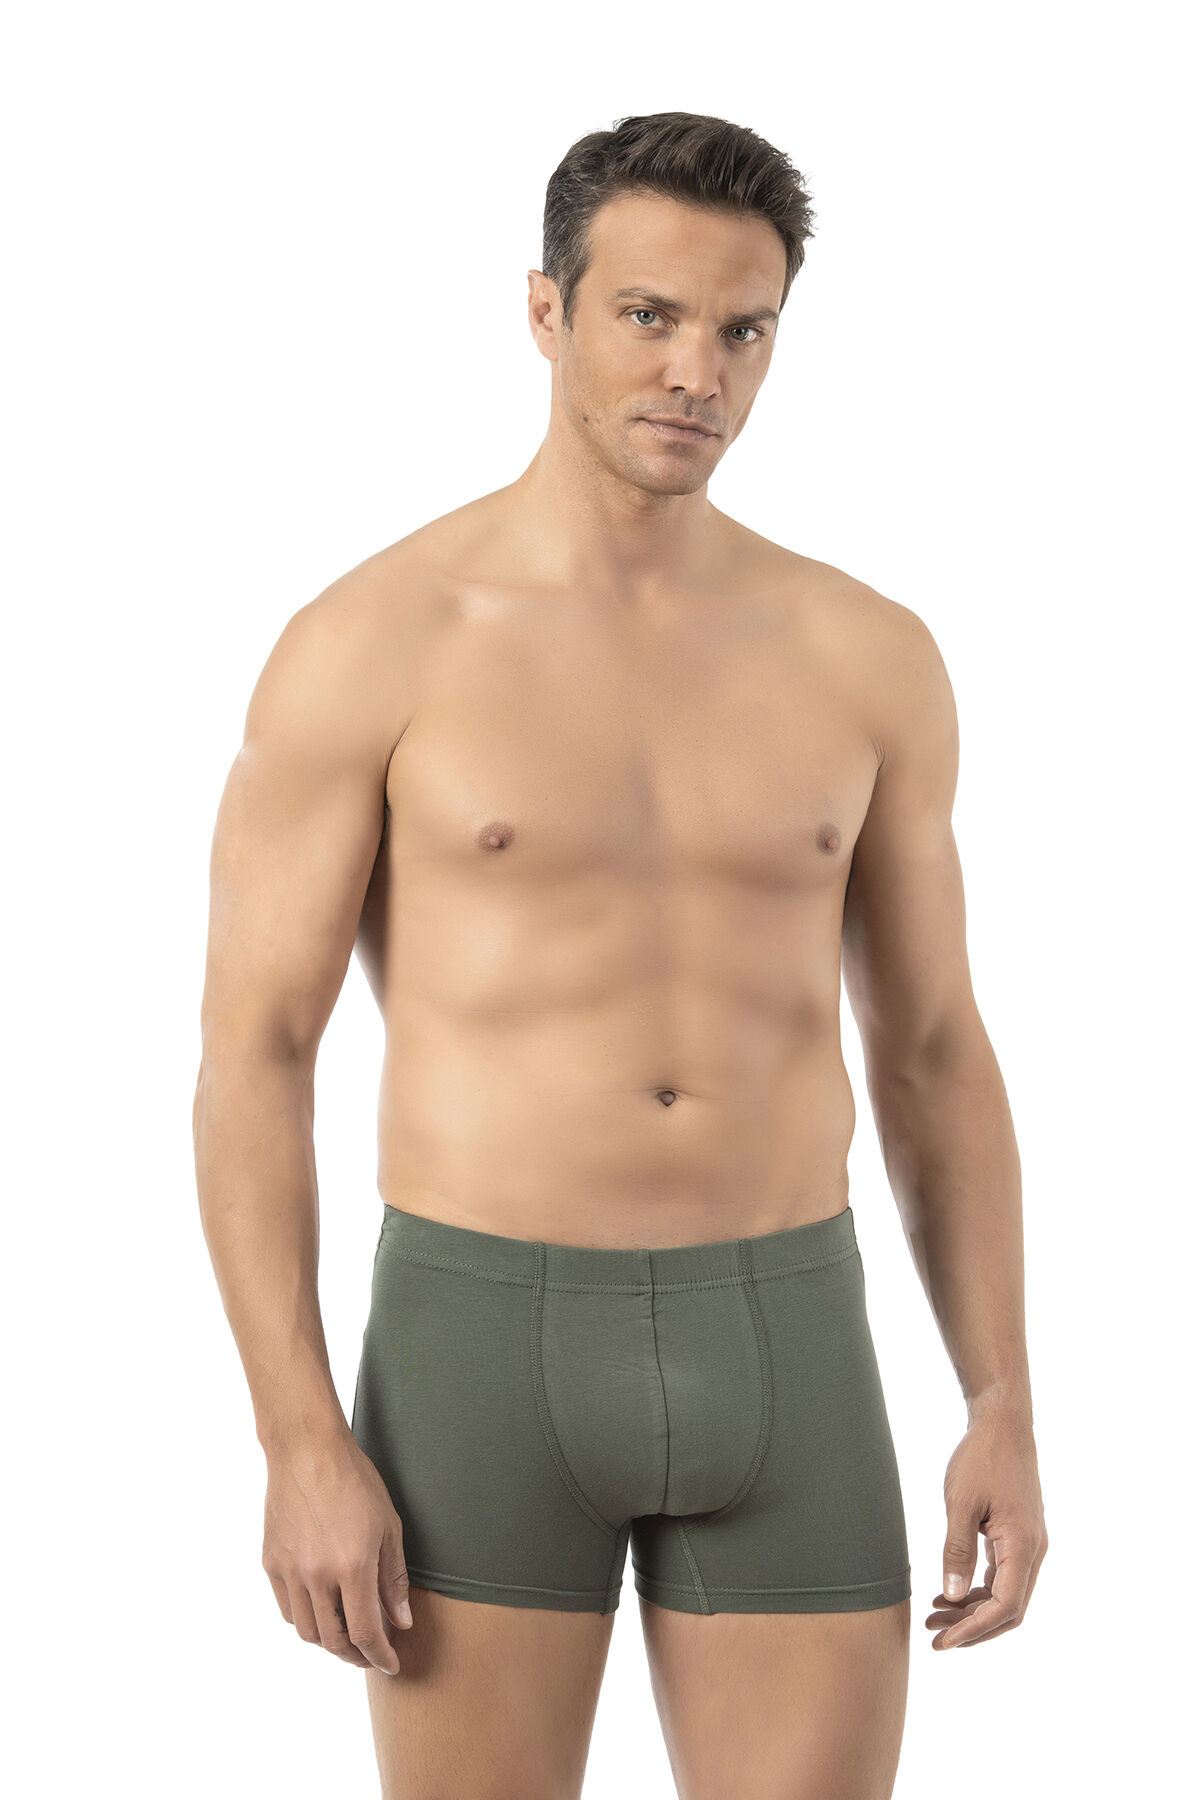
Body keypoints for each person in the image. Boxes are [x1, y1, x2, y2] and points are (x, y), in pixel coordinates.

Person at [193, 110, 1048, 1800]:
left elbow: (935, 1047)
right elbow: (254, 1056)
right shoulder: (373, 642)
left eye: (744, 330)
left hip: (788, 1337)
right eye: (649, 316)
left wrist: (1002, 1398)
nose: (696, 374)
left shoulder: (866, 654)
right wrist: (298, 1436)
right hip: (479, 1346)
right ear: (546, 310)